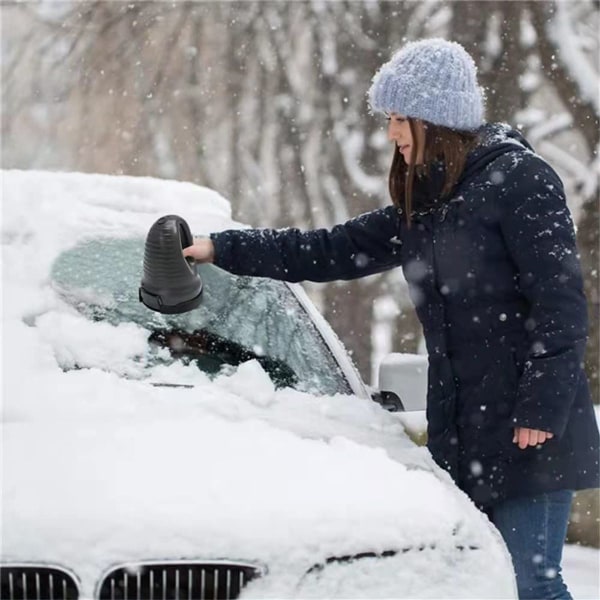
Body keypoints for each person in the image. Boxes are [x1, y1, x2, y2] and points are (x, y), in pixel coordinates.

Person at [183, 39, 599, 599]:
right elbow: (325, 249)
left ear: (437, 119)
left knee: (532, 588)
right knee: (482, 588)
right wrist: (219, 247)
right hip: (467, 434)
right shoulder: (425, 203)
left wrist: (541, 408)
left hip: (530, 433)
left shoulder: (522, 181)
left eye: (400, 119)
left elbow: (562, 304)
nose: (392, 134)